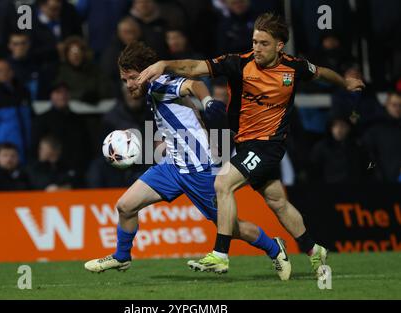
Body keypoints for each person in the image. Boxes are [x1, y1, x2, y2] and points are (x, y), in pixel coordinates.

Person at [138, 12, 365, 278]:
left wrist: (345, 82)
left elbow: (322, 72)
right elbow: (193, 68)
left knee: (223, 183)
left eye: (263, 43)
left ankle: (220, 255)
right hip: (244, 143)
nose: (256, 48)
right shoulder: (238, 63)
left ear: (280, 46)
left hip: (268, 145)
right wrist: (164, 64)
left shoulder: (294, 67)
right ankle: (314, 250)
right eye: (255, 42)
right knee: (277, 201)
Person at [84, 42, 291, 280]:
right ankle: (122, 256)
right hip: (172, 166)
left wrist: (208, 103)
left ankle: (275, 248)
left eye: (132, 78)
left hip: (199, 170)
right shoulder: (152, 90)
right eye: (124, 80)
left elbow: (195, 84)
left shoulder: (161, 83)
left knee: (231, 228)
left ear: (145, 72)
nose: (129, 85)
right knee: (125, 206)